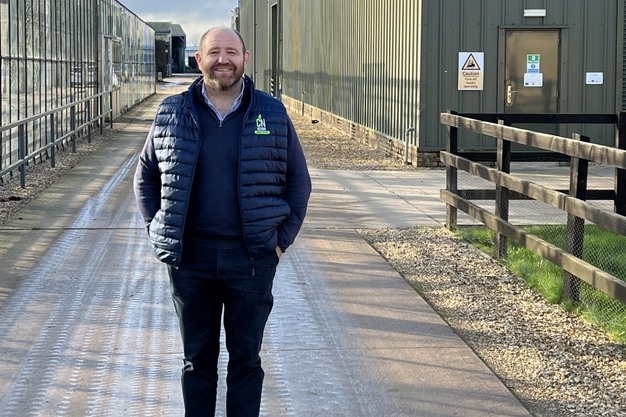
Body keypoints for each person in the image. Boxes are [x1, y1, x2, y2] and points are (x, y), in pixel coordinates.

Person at [133, 26, 311, 417]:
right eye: (214, 52)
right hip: (191, 260)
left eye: (231, 52)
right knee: (197, 359)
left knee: (246, 359)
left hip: (251, 258)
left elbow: (299, 182)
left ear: (245, 58)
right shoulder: (173, 111)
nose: (223, 60)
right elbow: (145, 175)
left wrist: (279, 242)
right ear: (199, 60)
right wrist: (156, 230)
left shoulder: (272, 112)